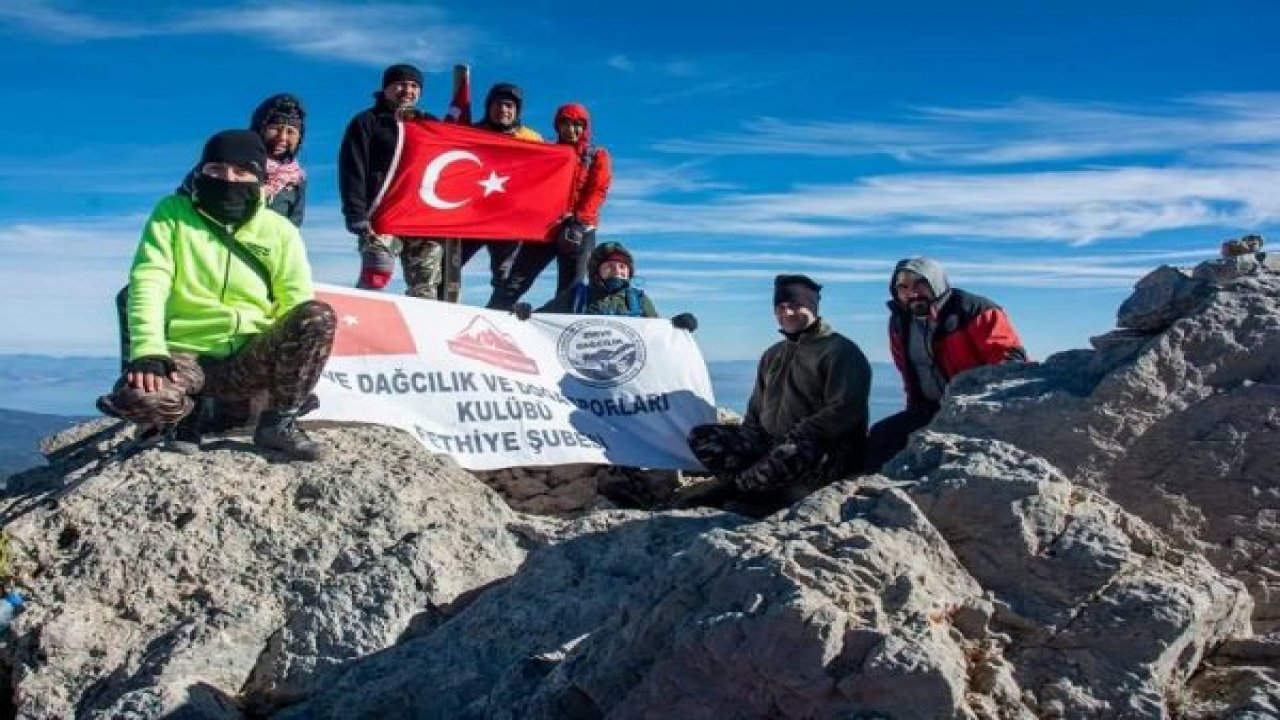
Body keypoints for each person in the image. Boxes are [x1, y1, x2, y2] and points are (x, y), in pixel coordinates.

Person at [97, 130, 336, 461]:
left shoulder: (279, 230)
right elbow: (149, 279)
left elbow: (295, 300)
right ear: (200, 172)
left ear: (259, 178)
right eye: (216, 170)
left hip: (248, 356)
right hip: (186, 354)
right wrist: (148, 352)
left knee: (316, 315)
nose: (227, 179)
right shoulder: (173, 213)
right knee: (140, 399)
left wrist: (286, 378)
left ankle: (277, 423)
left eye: (241, 172)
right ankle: (183, 417)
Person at [681, 275, 870, 517]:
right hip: (773, 444)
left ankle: (739, 492)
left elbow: (845, 410)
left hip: (823, 450)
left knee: (787, 454)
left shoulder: (839, 351)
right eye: (780, 307)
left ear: (812, 307)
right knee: (703, 436)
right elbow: (756, 408)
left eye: (795, 306)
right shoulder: (773, 354)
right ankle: (755, 487)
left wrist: (797, 436)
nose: (787, 313)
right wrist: (750, 437)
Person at [864, 257, 1027, 472]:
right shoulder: (900, 322)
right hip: (931, 409)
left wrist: (981, 409)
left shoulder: (974, 310)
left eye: (919, 284)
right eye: (902, 286)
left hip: (979, 412)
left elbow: (1010, 363)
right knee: (882, 436)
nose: (912, 292)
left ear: (936, 283)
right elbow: (909, 372)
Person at [339, 63, 445, 298]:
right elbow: (352, 168)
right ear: (386, 88)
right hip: (382, 212)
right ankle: (361, 323)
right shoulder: (367, 121)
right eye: (401, 84)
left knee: (425, 286)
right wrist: (355, 213)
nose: (408, 90)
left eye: (414, 86)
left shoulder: (431, 124)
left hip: (422, 216)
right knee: (377, 273)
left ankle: (421, 331)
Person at [496, 103, 613, 307]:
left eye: (578, 125)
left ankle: (560, 334)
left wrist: (579, 221)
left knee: (570, 290)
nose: (571, 130)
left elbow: (597, 190)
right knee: (516, 281)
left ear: (586, 128)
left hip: (580, 229)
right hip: (547, 226)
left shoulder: (596, 155)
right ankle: (489, 318)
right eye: (565, 124)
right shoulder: (548, 152)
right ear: (557, 126)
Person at [460, 83, 545, 310]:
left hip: (508, 219)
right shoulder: (470, 132)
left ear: (517, 110)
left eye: (509, 105)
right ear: (489, 106)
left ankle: (497, 315)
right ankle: (441, 308)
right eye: (498, 104)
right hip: (470, 215)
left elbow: (546, 175)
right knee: (449, 263)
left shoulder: (532, 139)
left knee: (504, 275)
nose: (503, 110)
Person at [513, 240, 696, 329]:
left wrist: (677, 325)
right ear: (596, 272)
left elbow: (657, 334)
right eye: (609, 266)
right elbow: (538, 320)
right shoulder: (576, 297)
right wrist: (523, 312)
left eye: (622, 267)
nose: (617, 270)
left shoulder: (639, 300)